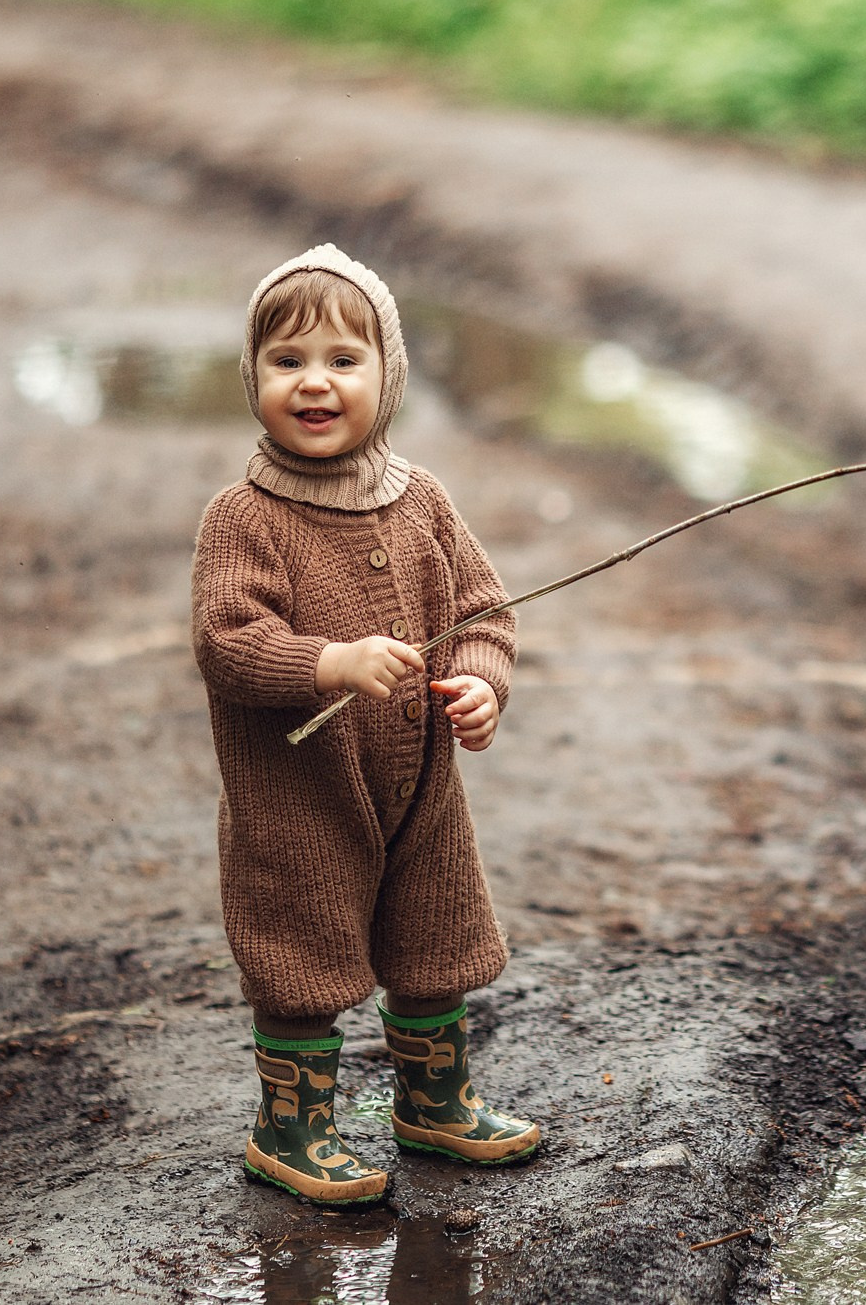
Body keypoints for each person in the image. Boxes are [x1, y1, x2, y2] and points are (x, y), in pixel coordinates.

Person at [191, 244, 538, 1206]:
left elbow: (482, 611)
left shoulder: (421, 499)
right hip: (300, 799)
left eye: (344, 359)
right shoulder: (243, 516)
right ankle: (290, 1127)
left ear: (389, 374)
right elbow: (227, 641)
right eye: (286, 360)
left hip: (420, 788)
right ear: (253, 377)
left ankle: (434, 1100)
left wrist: (480, 682)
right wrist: (329, 662)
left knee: (435, 937)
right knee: (299, 954)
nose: (314, 382)